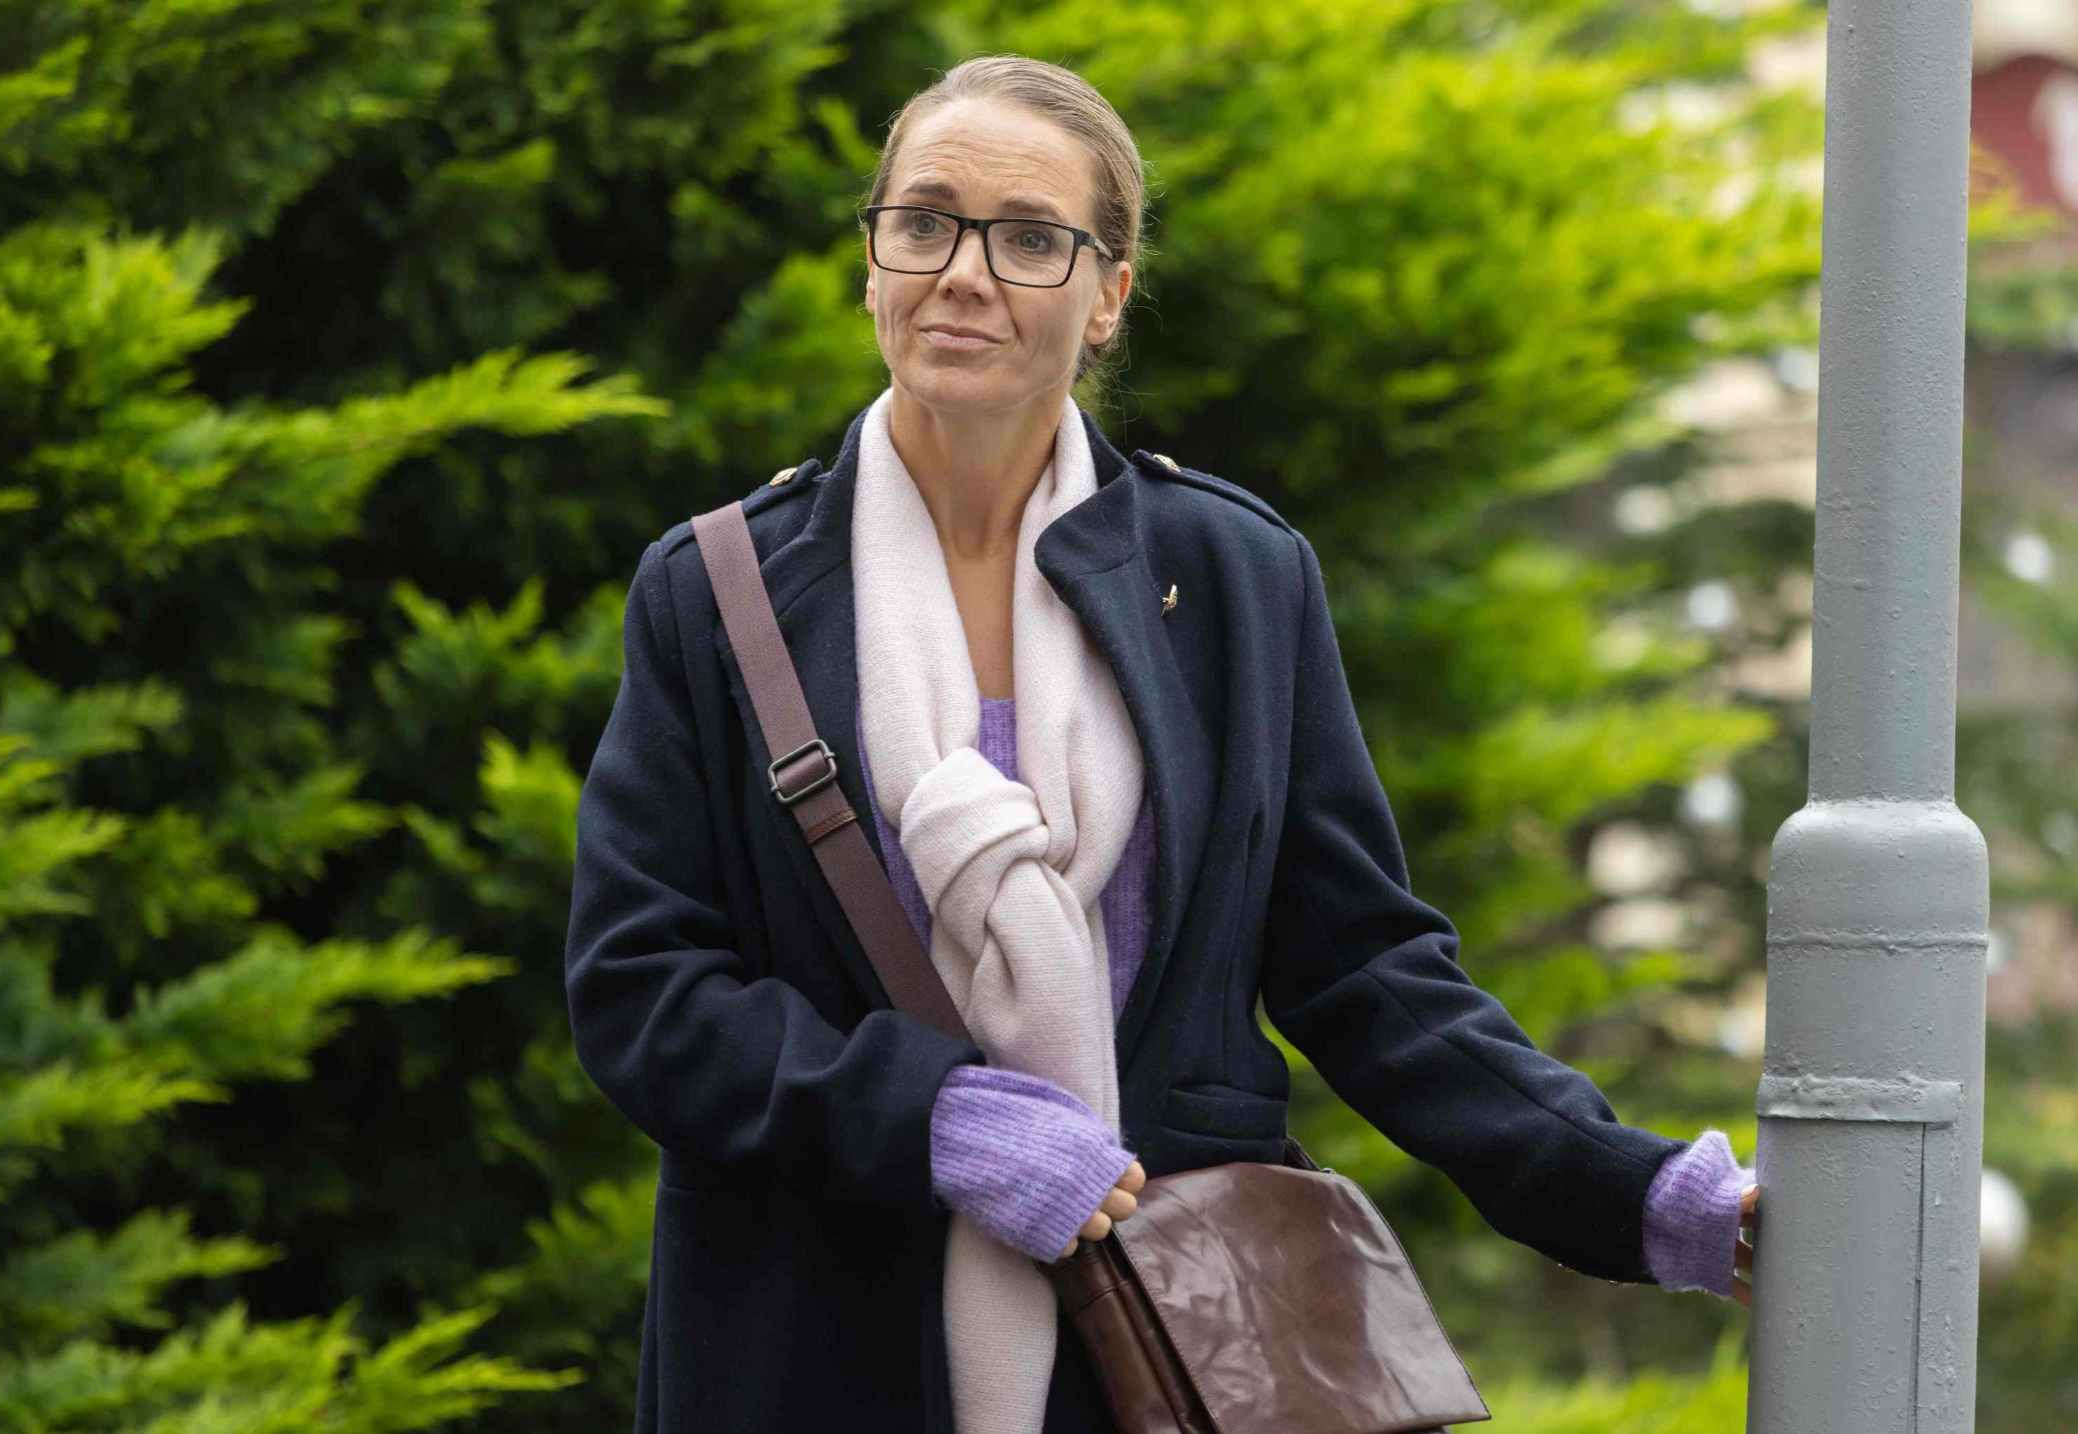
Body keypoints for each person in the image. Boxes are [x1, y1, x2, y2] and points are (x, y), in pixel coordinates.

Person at [563, 53, 1758, 1434]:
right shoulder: (719, 589)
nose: (964, 274)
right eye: (924, 221)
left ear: (1108, 295)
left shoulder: (1235, 577)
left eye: (1029, 240)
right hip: (805, 1349)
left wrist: (1634, 1190)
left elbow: (1365, 971)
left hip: (1170, 1353)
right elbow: (642, 989)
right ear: (872, 256)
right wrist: (932, 1118)